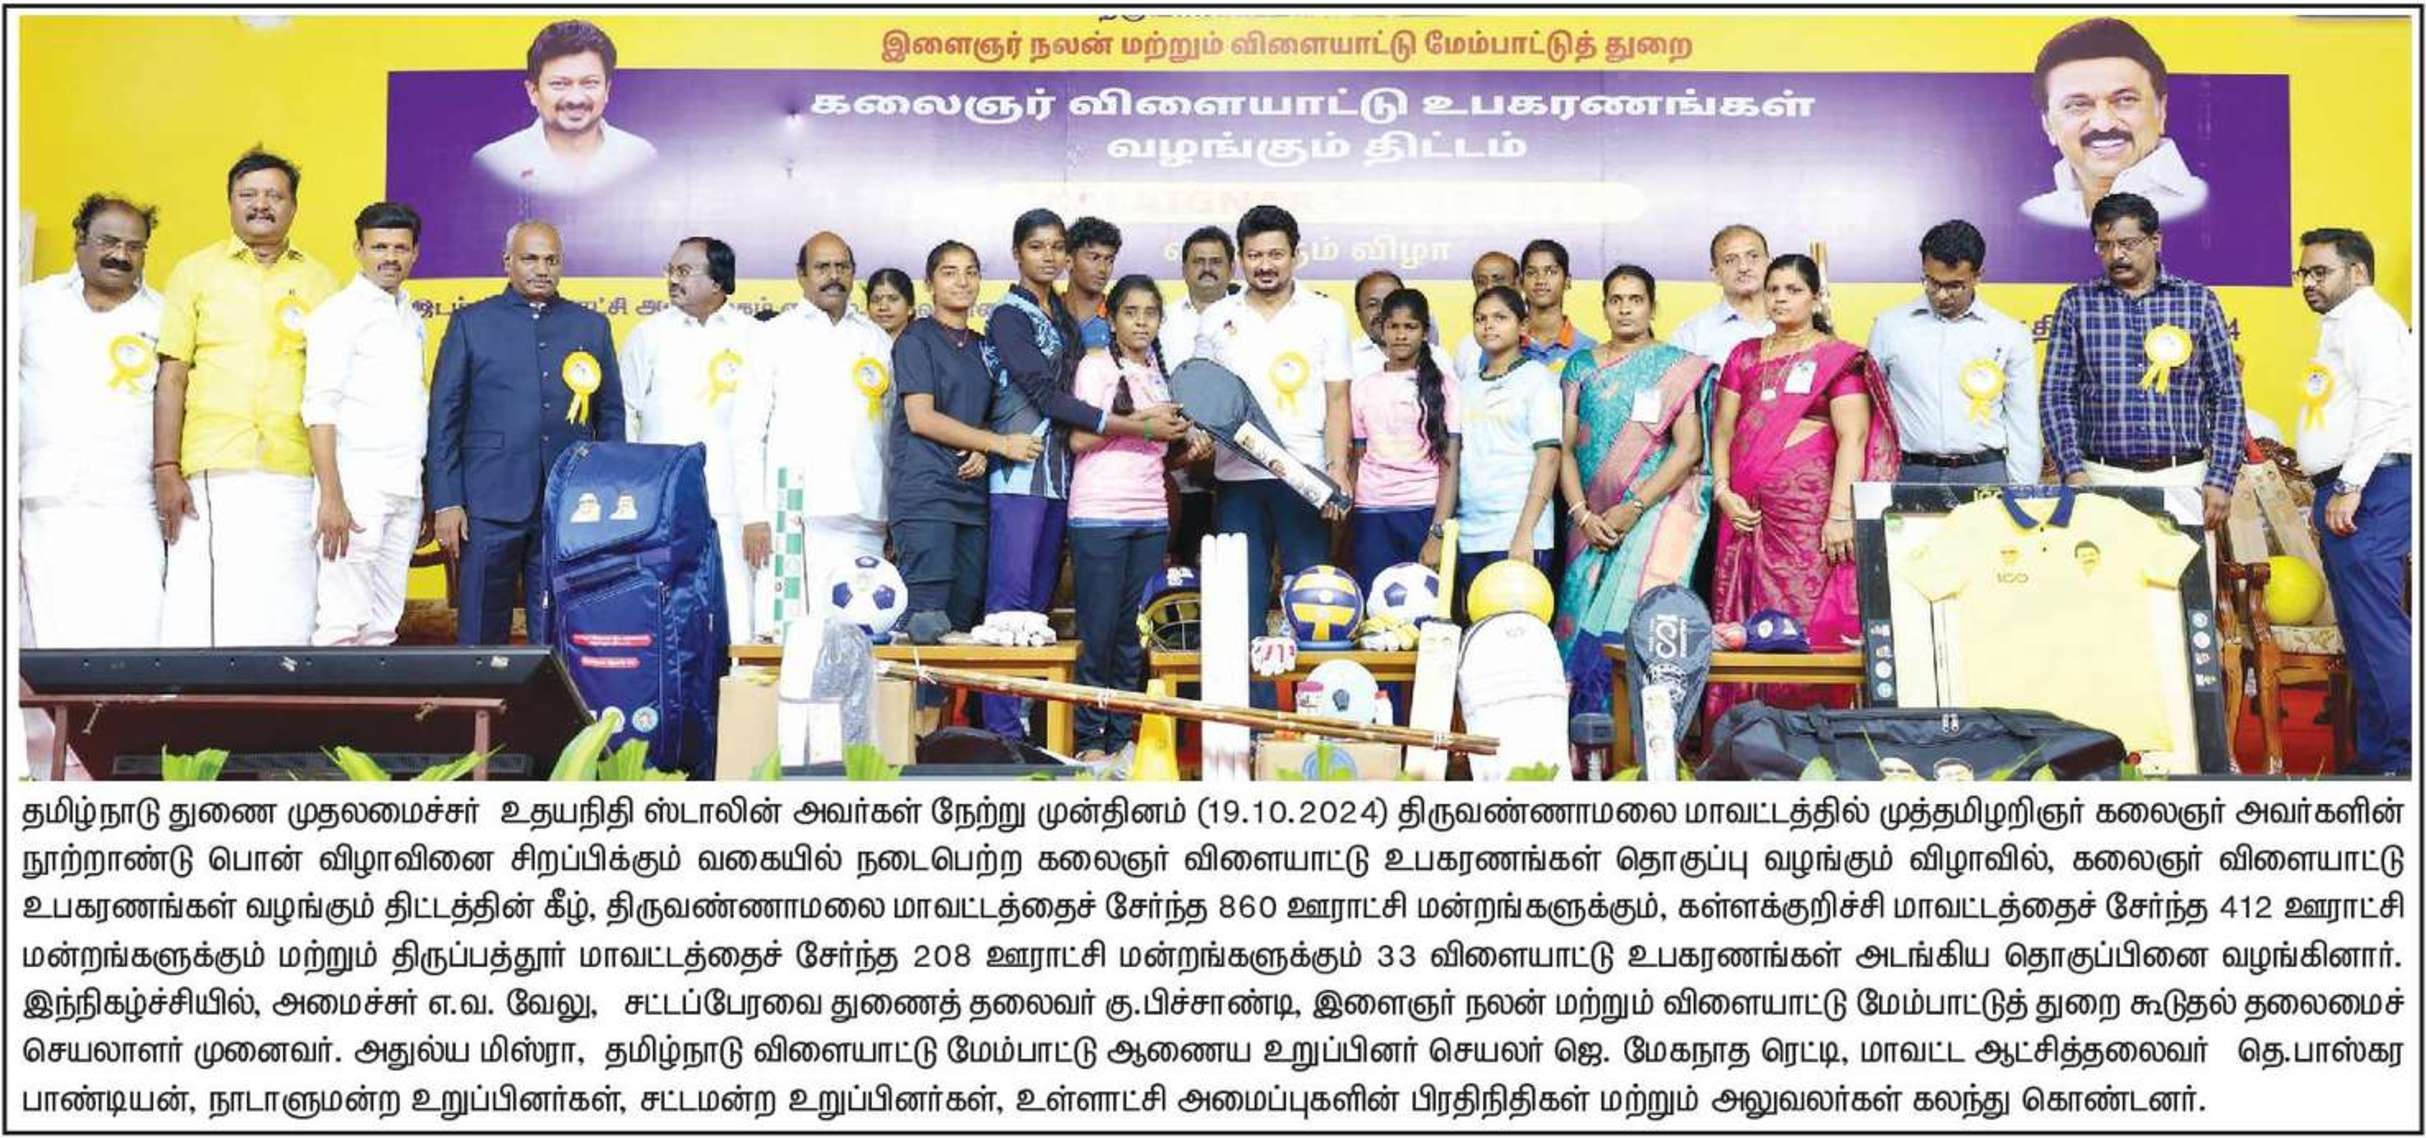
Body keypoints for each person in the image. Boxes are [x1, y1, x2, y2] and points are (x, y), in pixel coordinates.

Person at [982, 208, 1188, 742]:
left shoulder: (1062, 319)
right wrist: (1141, 424)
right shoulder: (1011, 316)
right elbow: (1047, 397)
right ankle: (1004, 738)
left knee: (1041, 612)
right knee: (1011, 611)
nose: (1050, 257)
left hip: (1061, 480)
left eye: (1056, 246)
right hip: (1022, 473)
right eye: (1039, 247)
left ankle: (1036, 730)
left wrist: (1180, 435)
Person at [154, 149, 342, 647]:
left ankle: (279, 700)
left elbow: (332, 387)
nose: (262, 205)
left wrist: (332, 485)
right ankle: (200, 701)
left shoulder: (321, 280)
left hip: (294, 467)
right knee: (208, 612)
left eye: (275, 195)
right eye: (249, 195)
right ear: (230, 202)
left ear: (294, 206)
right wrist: (166, 467)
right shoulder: (195, 272)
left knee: (288, 608)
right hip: (215, 466)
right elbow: (172, 375)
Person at [1705, 254, 1900, 720]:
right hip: (1745, 514)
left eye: (1793, 290)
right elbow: (1723, 432)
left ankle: (1806, 725)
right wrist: (1723, 491)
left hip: (1808, 520)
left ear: (1815, 297)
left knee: (1803, 612)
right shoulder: (1744, 354)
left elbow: (1853, 439)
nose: (1780, 298)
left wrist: (1840, 515)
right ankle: (1746, 728)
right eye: (1773, 290)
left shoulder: (1838, 359)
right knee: (1743, 621)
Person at [426, 220, 625, 645]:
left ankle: (551, 694)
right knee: (480, 625)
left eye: (551, 260)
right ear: (507, 262)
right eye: (530, 259)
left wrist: (606, 496)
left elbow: (610, 416)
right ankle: (480, 693)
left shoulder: (590, 326)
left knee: (557, 627)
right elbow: (444, 417)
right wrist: (446, 500)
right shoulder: (471, 323)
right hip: (487, 500)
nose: (542, 269)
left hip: (567, 503)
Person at [1195, 204, 1357, 651]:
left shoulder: (1326, 314)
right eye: (1254, 256)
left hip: (1305, 478)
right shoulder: (1216, 317)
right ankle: (1249, 696)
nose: (1265, 265)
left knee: (1312, 601)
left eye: (1275, 254)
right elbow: (1202, 397)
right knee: (1240, 600)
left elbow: (1338, 399)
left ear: (1295, 255)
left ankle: (1311, 696)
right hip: (1236, 479)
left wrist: (1337, 470)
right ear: (1240, 259)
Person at [1553, 265, 1713, 716]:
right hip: (1587, 525)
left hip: (1650, 520)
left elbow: (1689, 449)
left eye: (1635, 300)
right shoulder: (1581, 366)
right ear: (1604, 307)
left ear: (1652, 307)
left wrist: (1635, 507)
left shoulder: (1676, 367)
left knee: (1635, 621)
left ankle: (1638, 731)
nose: (1625, 309)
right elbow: (1564, 448)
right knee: (1576, 619)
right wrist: (1582, 515)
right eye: (1616, 300)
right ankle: (1579, 735)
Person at [1066, 274, 1214, 760]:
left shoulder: (1158, 372)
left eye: (1150, 313)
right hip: (1099, 514)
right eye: (1131, 312)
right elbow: (1079, 439)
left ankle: (1121, 736)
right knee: (1099, 632)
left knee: (1133, 634)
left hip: (1151, 515)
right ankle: (1090, 741)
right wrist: (1144, 425)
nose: (1141, 322)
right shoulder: (1094, 366)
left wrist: (1187, 453)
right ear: (1111, 318)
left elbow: (1156, 455)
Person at [889, 240, 1031, 724]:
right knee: (926, 621)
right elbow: (922, 417)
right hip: (926, 494)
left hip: (972, 499)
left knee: (963, 624)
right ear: (929, 283)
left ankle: (945, 741)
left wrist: (983, 446)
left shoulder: (983, 346)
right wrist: (996, 443)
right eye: (949, 272)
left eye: (971, 271)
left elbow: (989, 415)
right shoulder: (916, 339)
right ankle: (913, 744)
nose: (962, 281)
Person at [17, 193, 165, 648]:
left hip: (130, 503)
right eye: (108, 242)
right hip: (46, 501)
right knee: (51, 641)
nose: (121, 255)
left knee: (135, 637)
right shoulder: (30, 305)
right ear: (79, 239)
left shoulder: (163, 315)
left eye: (134, 246)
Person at [732, 231, 896, 641]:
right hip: (794, 515)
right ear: (801, 275)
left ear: (854, 273)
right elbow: (747, 432)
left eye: (842, 267)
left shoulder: (874, 338)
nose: (833, 276)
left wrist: (894, 512)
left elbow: (892, 430)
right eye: (822, 267)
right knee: (792, 640)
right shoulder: (773, 336)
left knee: (858, 639)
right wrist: (753, 516)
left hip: (866, 510)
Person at [2041, 192, 2241, 526]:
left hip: (2183, 476)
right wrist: (2073, 470)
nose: (2116, 255)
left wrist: (2220, 478)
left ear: (2155, 240)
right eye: (2104, 245)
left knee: (2184, 563)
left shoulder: (2198, 302)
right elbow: (2056, 396)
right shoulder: (2076, 304)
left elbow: (2226, 396)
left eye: (2128, 243)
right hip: (2099, 476)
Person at [2295, 226, 2414, 776]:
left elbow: (2383, 405)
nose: (2308, 282)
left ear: (2358, 272)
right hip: (2353, 487)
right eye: (2304, 272)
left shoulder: (2368, 320)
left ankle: (2406, 757)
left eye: (2321, 271)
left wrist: (2350, 486)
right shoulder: (2343, 324)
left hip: (2370, 487)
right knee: (2362, 632)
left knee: (2377, 628)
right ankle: (2378, 757)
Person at [301, 202, 428, 647]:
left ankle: (373, 698)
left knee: (383, 623)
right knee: (342, 621)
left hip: (404, 486)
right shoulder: (337, 315)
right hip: (355, 488)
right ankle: (335, 697)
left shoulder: (410, 315)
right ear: (358, 249)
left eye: (400, 248)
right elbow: (319, 408)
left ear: (414, 253)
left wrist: (420, 488)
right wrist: (332, 497)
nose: (390, 257)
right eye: (379, 247)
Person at [617, 236, 756, 637]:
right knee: (665, 605)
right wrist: (633, 488)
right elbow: (626, 412)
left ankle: (736, 675)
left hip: (732, 496)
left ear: (718, 281)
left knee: (736, 603)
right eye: (671, 270)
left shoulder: (753, 336)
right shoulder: (648, 334)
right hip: (662, 500)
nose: (673, 279)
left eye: (684, 271)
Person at [1867, 220, 2041, 484]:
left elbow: (2022, 420)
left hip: (1984, 471)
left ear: (1978, 276)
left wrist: (2022, 489)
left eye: (1955, 286)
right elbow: (1869, 410)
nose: (1941, 295)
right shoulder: (1890, 327)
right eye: (1932, 282)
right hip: (1909, 472)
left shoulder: (2009, 334)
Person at [2022, 17, 2207, 228]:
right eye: (2078, 104)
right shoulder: (2037, 212)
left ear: (2161, 110)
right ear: (2047, 125)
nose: (2104, 124)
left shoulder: (2201, 203)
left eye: (2125, 100)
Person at [1347, 288, 1461, 596]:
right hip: (1372, 511)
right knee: (1376, 606)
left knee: (1425, 607)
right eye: (1393, 326)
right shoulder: (1362, 387)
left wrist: (1437, 532)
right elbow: (1358, 456)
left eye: (1410, 327)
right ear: (1381, 329)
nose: (1400, 335)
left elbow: (1450, 466)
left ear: (1425, 332)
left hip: (1423, 509)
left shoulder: (1445, 386)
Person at [1453, 286, 1562, 600]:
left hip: (1519, 530)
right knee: (1476, 625)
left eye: (1500, 318)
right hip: (1471, 533)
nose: (1488, 325)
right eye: (1481, 319)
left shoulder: (1538, 379)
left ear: (1523, 326)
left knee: (1517, 624)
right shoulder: (1466, 386)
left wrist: (1525, 532)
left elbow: (1549, 458)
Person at [473, 18, 656, 196]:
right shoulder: (494, 162)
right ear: (533, 91)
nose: (575, 99)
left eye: (590, 83)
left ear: (607, 89)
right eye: (559, 84)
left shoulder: (640, 157)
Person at [1159, 225, 1236, 568]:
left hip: (1239, 466)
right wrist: (1186, 442)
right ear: (1183, 269)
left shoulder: (1249, 316)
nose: (1207, 269)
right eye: (1198, 261)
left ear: (1232, 268)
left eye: (1216, 261)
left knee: (1233, 568)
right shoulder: (1162, 320)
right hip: (1177, 465)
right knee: (1178, 573)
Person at [1669, 224, 1775, 366]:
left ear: (1770, 264)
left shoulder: (1799, 322)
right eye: (1730, 260)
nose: (1743, 267)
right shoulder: (1691, 334)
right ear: (1716, 274)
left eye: (1753, 256)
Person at [1349, 269, 1455, 381]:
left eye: (1391, 301)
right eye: (1373, 304)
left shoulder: (1438, 357)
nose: (1382, 311)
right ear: (1359, 313)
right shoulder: (1347, 358)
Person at [1452, 250, 1520, 380]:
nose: (1489, 287)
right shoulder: (1467, 347)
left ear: (1518, 284)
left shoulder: (1537, 336)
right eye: (1481, 282)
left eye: (1498, 280)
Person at [1065, 215, 1121, 350]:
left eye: (1109, 260)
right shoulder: (1047, 312)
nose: (1102, 269)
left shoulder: (1120, 317)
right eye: (1094, 258)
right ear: (1069, 261)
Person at [863, 268, 915, 342]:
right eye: (876, 300)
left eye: (893, 299)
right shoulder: (857, 344)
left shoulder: (924, 345)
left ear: (910, 308)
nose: (883, 307)